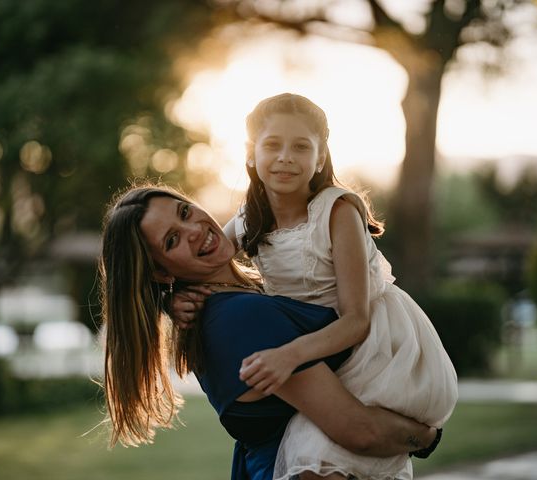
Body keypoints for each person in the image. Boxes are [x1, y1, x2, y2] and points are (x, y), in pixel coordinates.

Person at [171, 93, 458, 480]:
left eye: (301, 147)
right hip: (317, 344)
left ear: (319, 158)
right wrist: (175, 301)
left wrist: (289, 355)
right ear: (251, 154)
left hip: (373, 344)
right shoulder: (247, 220)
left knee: (322, 444)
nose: (286, 156)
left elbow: (357, 319)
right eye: (272, 144)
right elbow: (207, 265)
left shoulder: (336, 212)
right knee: (314, 444)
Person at [99, 184, 440, 480]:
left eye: (185, 212)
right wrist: (426, 437)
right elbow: (358, 430)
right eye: (172, 240)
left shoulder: (247, 295)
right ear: (160, 273)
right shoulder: (239, 318)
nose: (194, 230)